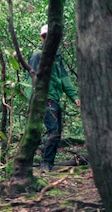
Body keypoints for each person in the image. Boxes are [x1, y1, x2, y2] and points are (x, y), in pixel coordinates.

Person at [28, 24, 81, 172]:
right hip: (44, 99)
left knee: (56, 132)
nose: (47, 39)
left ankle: (48, 164)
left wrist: (74, 96)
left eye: (49, 36)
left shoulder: (57, 56)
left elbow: (64, 79)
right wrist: (32, 100)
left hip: (55, 98)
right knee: (53, 130)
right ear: (41, 37)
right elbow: (29, 79)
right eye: (44, 36)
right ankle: (45, 165)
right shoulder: (37, 55)